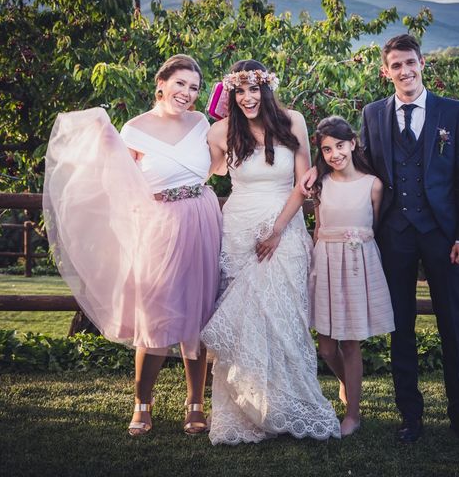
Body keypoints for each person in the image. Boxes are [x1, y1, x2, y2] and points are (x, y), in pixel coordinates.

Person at [301, 34, 459, 445]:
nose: (405, 71)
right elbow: (357, 163)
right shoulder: (372, 114)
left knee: (453, 325)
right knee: (402, 328)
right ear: (386, 72)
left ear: (423, 64)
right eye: (396, 65)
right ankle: (410, 417)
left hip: (441, 237)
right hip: (394, 237)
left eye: (411, 63)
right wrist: (316, 170)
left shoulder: (453, 113)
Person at [43, 54, 222, 436]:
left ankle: (195, 404)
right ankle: (142, 403)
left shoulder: (201, 123)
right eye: (180, 84)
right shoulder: (134, 129)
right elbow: (118, 184)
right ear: (162, 85)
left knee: (200, 311)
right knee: (155, 314)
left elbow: (211, 169)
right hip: (158, 224)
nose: (187, 94)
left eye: (193, 88)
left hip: (203, 217)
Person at [200, 59, 341, 445]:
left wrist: (277, 231)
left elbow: (304, 183)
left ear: (266, 89)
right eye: (239, 91)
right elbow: (204, 171)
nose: (247, 98)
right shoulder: (221, 130)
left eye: (253, 89)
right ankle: (246, 414)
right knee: (246, 322)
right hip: (238, 230)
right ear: (231, 94)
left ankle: (289, 405)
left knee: (284, 317)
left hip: (285, 227)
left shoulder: (292, 120)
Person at [308, 116, 395, 437]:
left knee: (349, 343)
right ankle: (348, 383)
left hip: (358, 262)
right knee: (327, 348)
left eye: (340, 146)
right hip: (326, 261)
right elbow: (318, 227)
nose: (334, 154)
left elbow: (376, 225)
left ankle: (353, 413)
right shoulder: (321, 183)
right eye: (327, 149)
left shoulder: (372, 184)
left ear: (353, 143)